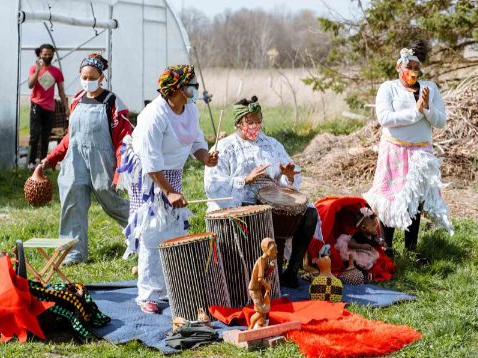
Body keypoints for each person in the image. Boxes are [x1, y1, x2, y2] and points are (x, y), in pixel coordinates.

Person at [117, 64, 218, 314]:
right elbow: (151, 160)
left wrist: (206, 157)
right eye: (190, 84)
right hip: (148, 173)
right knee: (152, 230)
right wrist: (169, 191)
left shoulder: (191, 109)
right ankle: (148, 294)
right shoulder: (154, 115)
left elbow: (196, 142)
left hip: (172, 171)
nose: (194, 88)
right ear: (176, 89)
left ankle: (169, 286)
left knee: (172, 228)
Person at [204, 96, 319, 288]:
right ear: (238, 123)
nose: (255, 126)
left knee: (310, 214)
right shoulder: (223, 147)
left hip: (275, 197)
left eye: (259, 121)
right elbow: (213, 185)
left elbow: (288, 177)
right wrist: (245, 180)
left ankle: (291, 271)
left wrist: (287, 176)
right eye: (250, 122)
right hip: (242, 202)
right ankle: (263, 274)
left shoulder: (272, 144)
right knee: (261, 215)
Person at [35, 53, 132, 265]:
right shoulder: (77, 100)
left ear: (101, 77)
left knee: (112, 201)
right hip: (74, 161)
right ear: (80, 75)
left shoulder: (113, 103)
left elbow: (123, 140)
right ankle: (73, 253)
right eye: (84, 76)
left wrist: (120, 171)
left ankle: (143, 234)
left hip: (102, 161)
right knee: (72, 202)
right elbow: (72, 136)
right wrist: (50, 159)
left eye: (92, 77)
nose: (88, 81)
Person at [363, 40, 453, 264]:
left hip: (421, 154)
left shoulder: (429, 88)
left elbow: (440, 121)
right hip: (394, 150)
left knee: (415, 199)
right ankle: (387, 247)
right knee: (391, 199)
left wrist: (426, 108)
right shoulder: (388, 88)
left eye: (416, 68)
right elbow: (385, 118)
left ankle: (411, 249)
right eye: (408, 67)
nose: (412, 72)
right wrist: (415, 112)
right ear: (398, 67)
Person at [28, 44, 69, 168]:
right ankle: (31, 162)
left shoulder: (57, 72)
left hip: (50, 108)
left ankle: (42, 162)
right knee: (35, 135)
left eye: (49, 54)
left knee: (46, 136)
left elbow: (61, 91)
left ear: (53, 54)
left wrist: (66, 107)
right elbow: (30, 85)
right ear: (40, 54)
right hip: (36, 105)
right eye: (44, 54)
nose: (47, 56)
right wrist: (38, 70)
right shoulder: (34, 68)